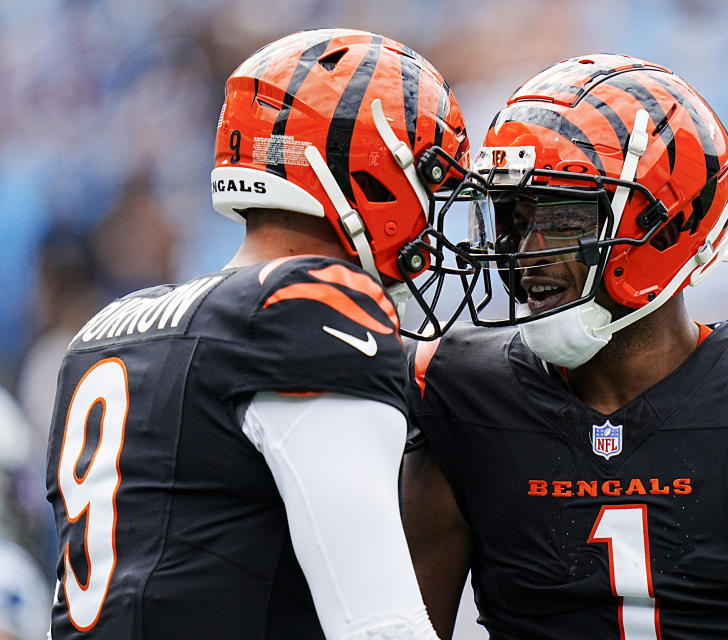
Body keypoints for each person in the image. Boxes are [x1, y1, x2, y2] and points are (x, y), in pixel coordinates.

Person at [401, 54, 728, 639]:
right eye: (514, 215)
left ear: (667, 225)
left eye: (560, 218)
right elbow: (394, 628)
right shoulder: (463, 395)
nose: (526, 251)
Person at [45, 28, 480, 640]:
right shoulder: (306, 306)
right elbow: (379, 625)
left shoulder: (102, 332)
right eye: (429, 183)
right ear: (371, 175)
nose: (435, 217)